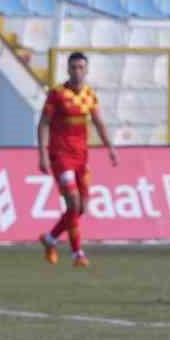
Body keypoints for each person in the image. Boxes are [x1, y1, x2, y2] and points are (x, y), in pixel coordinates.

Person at [38, 52, 118, 268]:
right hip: (60, 155)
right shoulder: (57, 94)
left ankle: (50, 238)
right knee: (73, 202)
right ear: (67, 70)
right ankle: (77, 254)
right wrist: (43, 154)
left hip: (82, 156)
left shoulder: (90, 95)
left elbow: (99, 123)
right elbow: (44, 123)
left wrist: (110, 148)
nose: (77, 71)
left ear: (86, 70)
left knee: (81, 207)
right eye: (73, 67)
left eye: (81, 67)